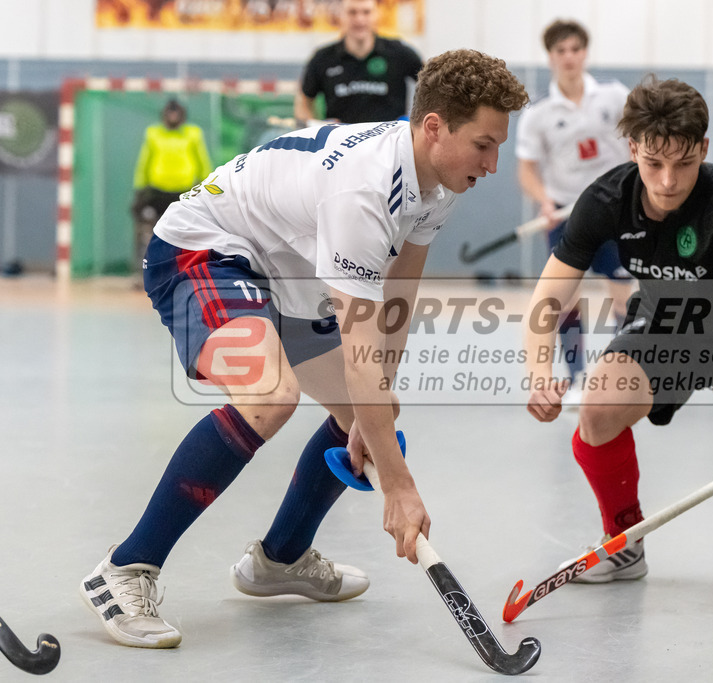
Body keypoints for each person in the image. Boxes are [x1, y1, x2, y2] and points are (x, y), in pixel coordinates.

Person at [80, 49, 528, 649]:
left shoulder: (440, 179)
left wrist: (378, 407)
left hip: (288, 274)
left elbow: (400, 289)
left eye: (498, 145)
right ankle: (126, 568)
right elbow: (359, 333)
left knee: (375, 414)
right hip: (206, 250)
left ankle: (279, 560)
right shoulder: (365, 192)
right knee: (269, 396)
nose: (493, 164)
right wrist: (397, 487)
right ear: (434, 126)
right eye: (484, 145)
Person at [523, 77, 713, 583]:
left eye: (684, 163)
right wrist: (539, 371)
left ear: (703, 148)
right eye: (653, 163)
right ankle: (625, 542)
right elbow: (548, 296)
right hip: (662, 330)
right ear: (632, 147)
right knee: (596, 412)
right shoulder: (605, 200)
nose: (667, 181)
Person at [515, 19, 633, 405]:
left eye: (575, 49)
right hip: (567, 218)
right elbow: (527, 171)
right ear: (550, 56)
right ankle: (578, 378)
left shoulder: (614, 97)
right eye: (560, 51)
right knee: (565, 300)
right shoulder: (539, 114)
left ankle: (621, 376)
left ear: (585, 52)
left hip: (615, 216)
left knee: (622, 296)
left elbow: (641, 138)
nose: (569, 57)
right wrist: (544, 201)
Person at [294, 0, 422, 125]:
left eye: (366, 12)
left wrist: (419, 124)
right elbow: (303, 102)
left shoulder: (400, 53)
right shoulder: (323, 58)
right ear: (341, 15)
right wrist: (314, 127)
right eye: (352, 12)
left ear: (377, 15)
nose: (359, 19)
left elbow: (433, 84)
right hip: (340, 143)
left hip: (388, 143)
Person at [131, 99, 212, 269]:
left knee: (189, 232)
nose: (173, 117)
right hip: (156, 192)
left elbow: (202, 161)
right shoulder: (153, 133)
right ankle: (143, 271)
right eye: (170, 113)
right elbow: (144, 161)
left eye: (176, 114)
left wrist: (207, 187)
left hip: (183, 192)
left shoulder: (193, 133)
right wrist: (139, 190)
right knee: (146, 233)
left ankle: (191, 268)